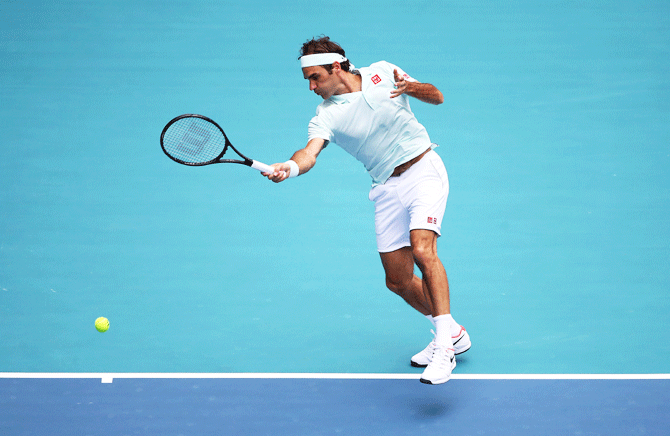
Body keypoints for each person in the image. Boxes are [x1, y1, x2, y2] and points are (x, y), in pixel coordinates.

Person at [263, 36, 470, 384]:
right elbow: (309, 153)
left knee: (423, 249)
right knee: (399, 281)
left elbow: (437, 96)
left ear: (337, 66)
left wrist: (413, 87)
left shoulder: (383, 72)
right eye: (308, 80)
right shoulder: (326, 116)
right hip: (386, 187)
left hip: (423, 170)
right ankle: (452, 333)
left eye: (316, 77)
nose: (312, 87)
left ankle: (445, 351)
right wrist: (291, 166)